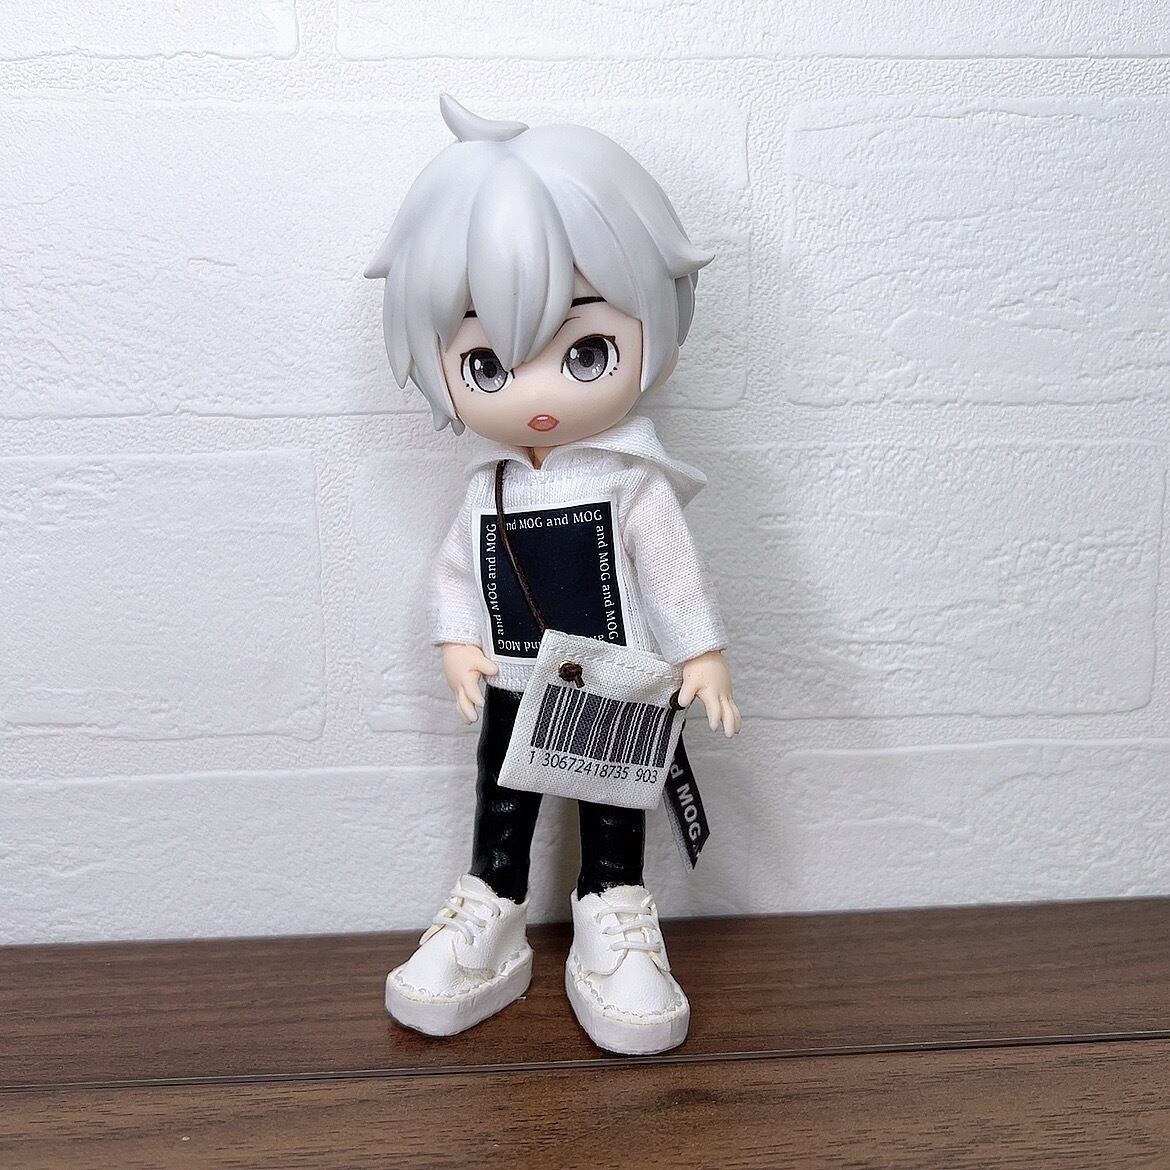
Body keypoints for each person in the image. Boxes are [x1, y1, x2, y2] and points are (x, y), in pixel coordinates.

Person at [364, 95, 741, 1055]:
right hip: (515, 682)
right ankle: (491, 912)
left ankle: (612, 914)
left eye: (585, 351)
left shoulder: (631, 479)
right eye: (488, 365)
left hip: (618, 680)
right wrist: (458, 644)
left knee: (615, 809)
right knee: (504, 802)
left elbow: (670, 573)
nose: (535, 394)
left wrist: (699, 654)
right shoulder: (487, 487)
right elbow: (460, 573)